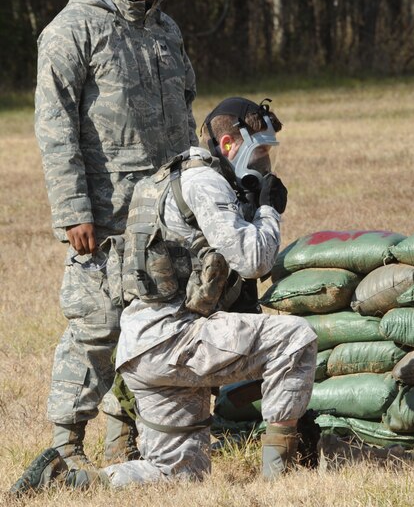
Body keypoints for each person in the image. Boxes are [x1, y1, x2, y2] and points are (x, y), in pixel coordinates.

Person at [10, 97, 318, 495]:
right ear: (228, 145)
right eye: (259, 150)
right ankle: (280, 480)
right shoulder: (204, 183)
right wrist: (268, 211)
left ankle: (73, 481)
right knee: (296, 338)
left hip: (144, 351)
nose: (265, 162)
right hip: (176, 341)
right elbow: (254, 260)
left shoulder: (172, 176)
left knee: (179, 476)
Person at [33, 0, 197, 469]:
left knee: (155, 325)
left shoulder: (165, 31)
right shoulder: (72, 30)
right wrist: (74, 209)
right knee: (95, 330)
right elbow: (54, 128)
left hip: (168, 215)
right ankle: (63, 450)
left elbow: (187, 112)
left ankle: (124, 438)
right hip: (106, 218)